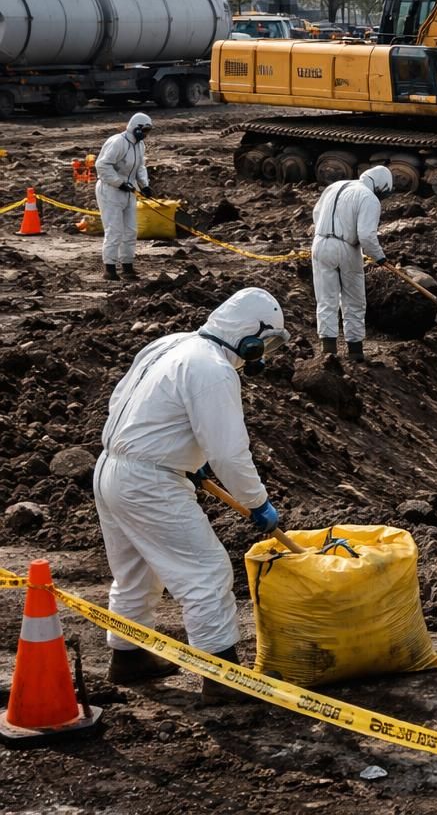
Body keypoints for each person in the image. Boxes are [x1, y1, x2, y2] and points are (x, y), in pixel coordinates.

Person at [94, 287, 289, 700]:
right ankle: (221, 677)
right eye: (265, 343)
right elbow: (229, 452)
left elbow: (122, 400)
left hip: (111, 467)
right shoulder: (213, 370)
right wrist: (257, 503)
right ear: (248, 336)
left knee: (135, 573)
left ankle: (128, 657)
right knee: (206, 571)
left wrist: (178, 452)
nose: (262, 354)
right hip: (149, 482)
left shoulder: (171, 344)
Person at [311, 165, 392, 359]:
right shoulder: (369, 198)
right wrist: (379, 257)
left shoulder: (336, 186)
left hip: (320, 243)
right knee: (353, 301)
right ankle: (355, 352)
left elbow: (316, 214)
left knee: (326, 298)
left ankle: (328, 351)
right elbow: (366, 235)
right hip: (347, 248)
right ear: (381, 186)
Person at [94, 112, 153, 281]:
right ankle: (110, 268)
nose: (147, 135)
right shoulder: (118, 142)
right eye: (145, 130)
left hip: (129, 191)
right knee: (114, 230)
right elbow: (102, 165)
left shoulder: (139, 145)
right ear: (137, 128)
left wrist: (145, 185)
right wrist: (118, 182)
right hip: (110, 190)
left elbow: (140, 167)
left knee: (131, 230)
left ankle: (127, 266)